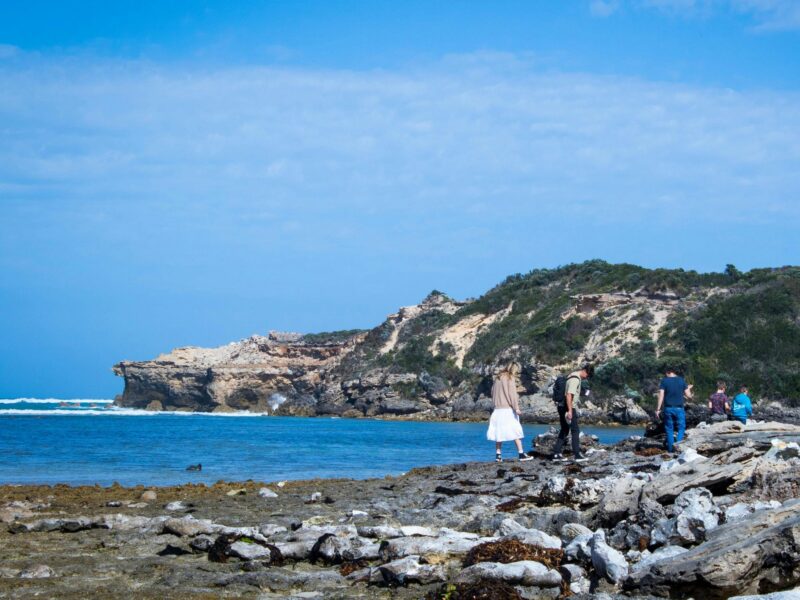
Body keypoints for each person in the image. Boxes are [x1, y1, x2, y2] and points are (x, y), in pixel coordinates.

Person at [487, 363, 532, 462]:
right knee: (516, 431)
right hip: (507, 410)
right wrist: (516, 408)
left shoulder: (497, 379)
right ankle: (521, 454)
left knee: (499, 433)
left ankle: (498, 456)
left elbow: (492, 393)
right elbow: (512, 395)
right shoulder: (510, 378)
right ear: (514, 369)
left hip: (497, 410)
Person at [552, 363, 594, 462]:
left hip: (562, 406)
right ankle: (577, 455)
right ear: (585, 371)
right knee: (575, 431)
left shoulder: (571, 375)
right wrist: (570, 411)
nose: (586, 378)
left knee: (565, 430)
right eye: (588, 376)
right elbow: (569, 395)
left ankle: (556, 454)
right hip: (568, 407)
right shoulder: (575, 379)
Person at [656, 367, 693, 453]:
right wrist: (689, 389)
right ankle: (678, 447)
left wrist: (658, 409)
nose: (665, 375)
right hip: (679, 408)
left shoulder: (664, 381)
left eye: (666, 373)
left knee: (669, 429)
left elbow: (661, 395)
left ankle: (670, 450)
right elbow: (689, 396)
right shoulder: (681, 380)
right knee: (681, 427)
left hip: (668, 408)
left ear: (669, 372)